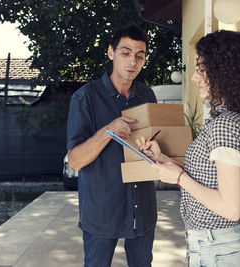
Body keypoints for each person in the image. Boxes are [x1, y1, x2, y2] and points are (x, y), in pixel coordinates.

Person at [137, 30, 240, 266]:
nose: (194, 78)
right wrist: (163, 159)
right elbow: (210, 177)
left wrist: (180, 178)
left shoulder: (226, 125)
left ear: (227, 73)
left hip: (218, 249)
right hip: (219, 246)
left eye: (201, 69)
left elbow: (231, 208)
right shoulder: (230, 118)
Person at [66, 24, 157, 267]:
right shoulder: (85, 97)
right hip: (102, 211)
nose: (132, 61)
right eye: (125, 53)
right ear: (111, 53)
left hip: (142, 208)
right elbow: (75, 161)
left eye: (139, 55)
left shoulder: (148, 96)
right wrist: (109, 132)